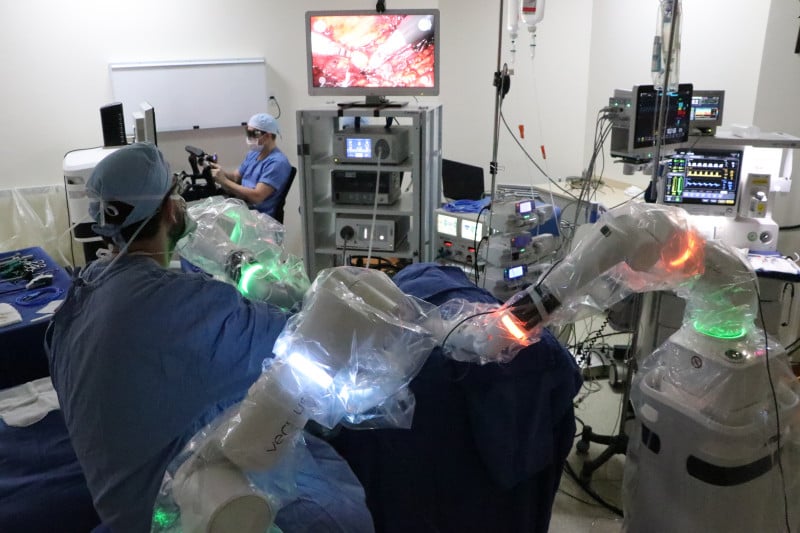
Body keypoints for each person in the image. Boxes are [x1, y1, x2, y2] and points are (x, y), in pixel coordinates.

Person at [46, 143, 372, 533]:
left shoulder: (81, 294)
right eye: (176, 194)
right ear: (170, 210)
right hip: (175, 511)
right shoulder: (186, 304)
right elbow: (301, 338)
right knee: (342, 515)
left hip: (116, 503)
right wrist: (269, 283)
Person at [210, 112, 293, 222]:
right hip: (244, 209)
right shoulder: (254, 154)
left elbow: (257, 197)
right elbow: (236, 177)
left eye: (254, 134)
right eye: (248, 133)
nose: (250, 137)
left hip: (260, 220)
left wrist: (224, 181)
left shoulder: (277, 163)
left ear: (268, 136)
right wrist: (219, 171)